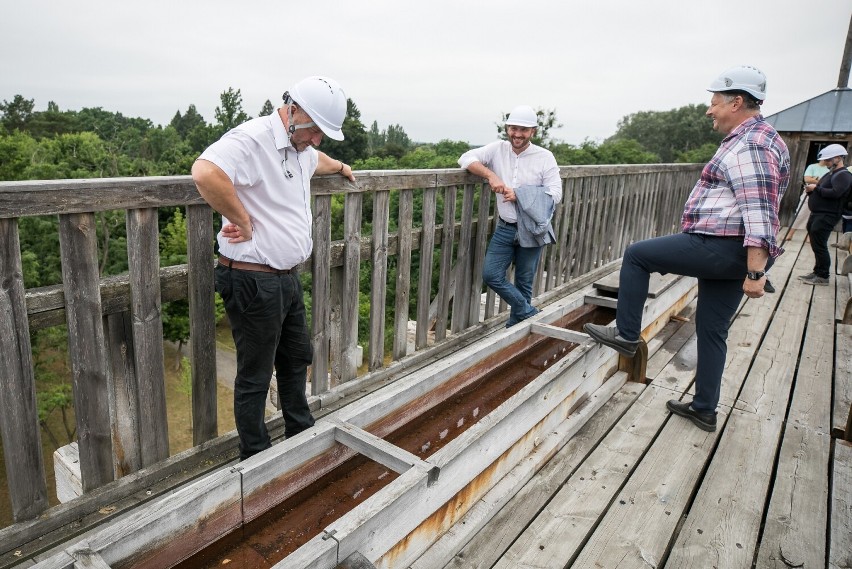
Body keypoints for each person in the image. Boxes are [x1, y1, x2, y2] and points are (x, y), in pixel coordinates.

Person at [583, 65, 790, 432]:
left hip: (722, 247)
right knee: (712, 329)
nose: (709, 110)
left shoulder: (752, 145)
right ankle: (704, 408)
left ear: (737, 102)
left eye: (714, 102)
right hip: (733, 252)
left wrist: (756, 273)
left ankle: (627, 336)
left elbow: (760, 212)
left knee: (637, 255)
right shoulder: (760, 138)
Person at [192, 76, 355, 460]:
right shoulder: (252, 139)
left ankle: (300, 433)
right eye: (315, 130)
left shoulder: (303, 149)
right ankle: (258, 455)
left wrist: (342, 166)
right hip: (251, 278)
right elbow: (205, 172)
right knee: (256, 373)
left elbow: (319, 160)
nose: (317, 140)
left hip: (284, 276)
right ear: (293, 110)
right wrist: (242, 219)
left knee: (296, 356)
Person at [458, 105, 562, 326]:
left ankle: (516, 329)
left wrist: (520, 195)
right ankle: (529, 312)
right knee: (491, 275)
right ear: (507, 128)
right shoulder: (498, 149)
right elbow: (466, 158)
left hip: (533, 228)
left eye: (523, 130)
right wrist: (491, 175)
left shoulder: (545, 157)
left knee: (524, 281)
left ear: (533, 131)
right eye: (513, 128)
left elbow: (556, 193)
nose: (517, 134)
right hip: (505, 227)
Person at [800, 144, 852, 284]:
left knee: (820, 244)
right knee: (816, 243)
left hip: (827, 214)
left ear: (838, 158)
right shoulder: (831, 173)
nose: (826, 162)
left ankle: (823, 276)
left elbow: (836, 193)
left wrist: (816, 188)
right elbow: (823, 190)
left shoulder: (843, 175)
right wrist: (812, 191)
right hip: (818, 213)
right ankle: (817, 271)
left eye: (829, 160)